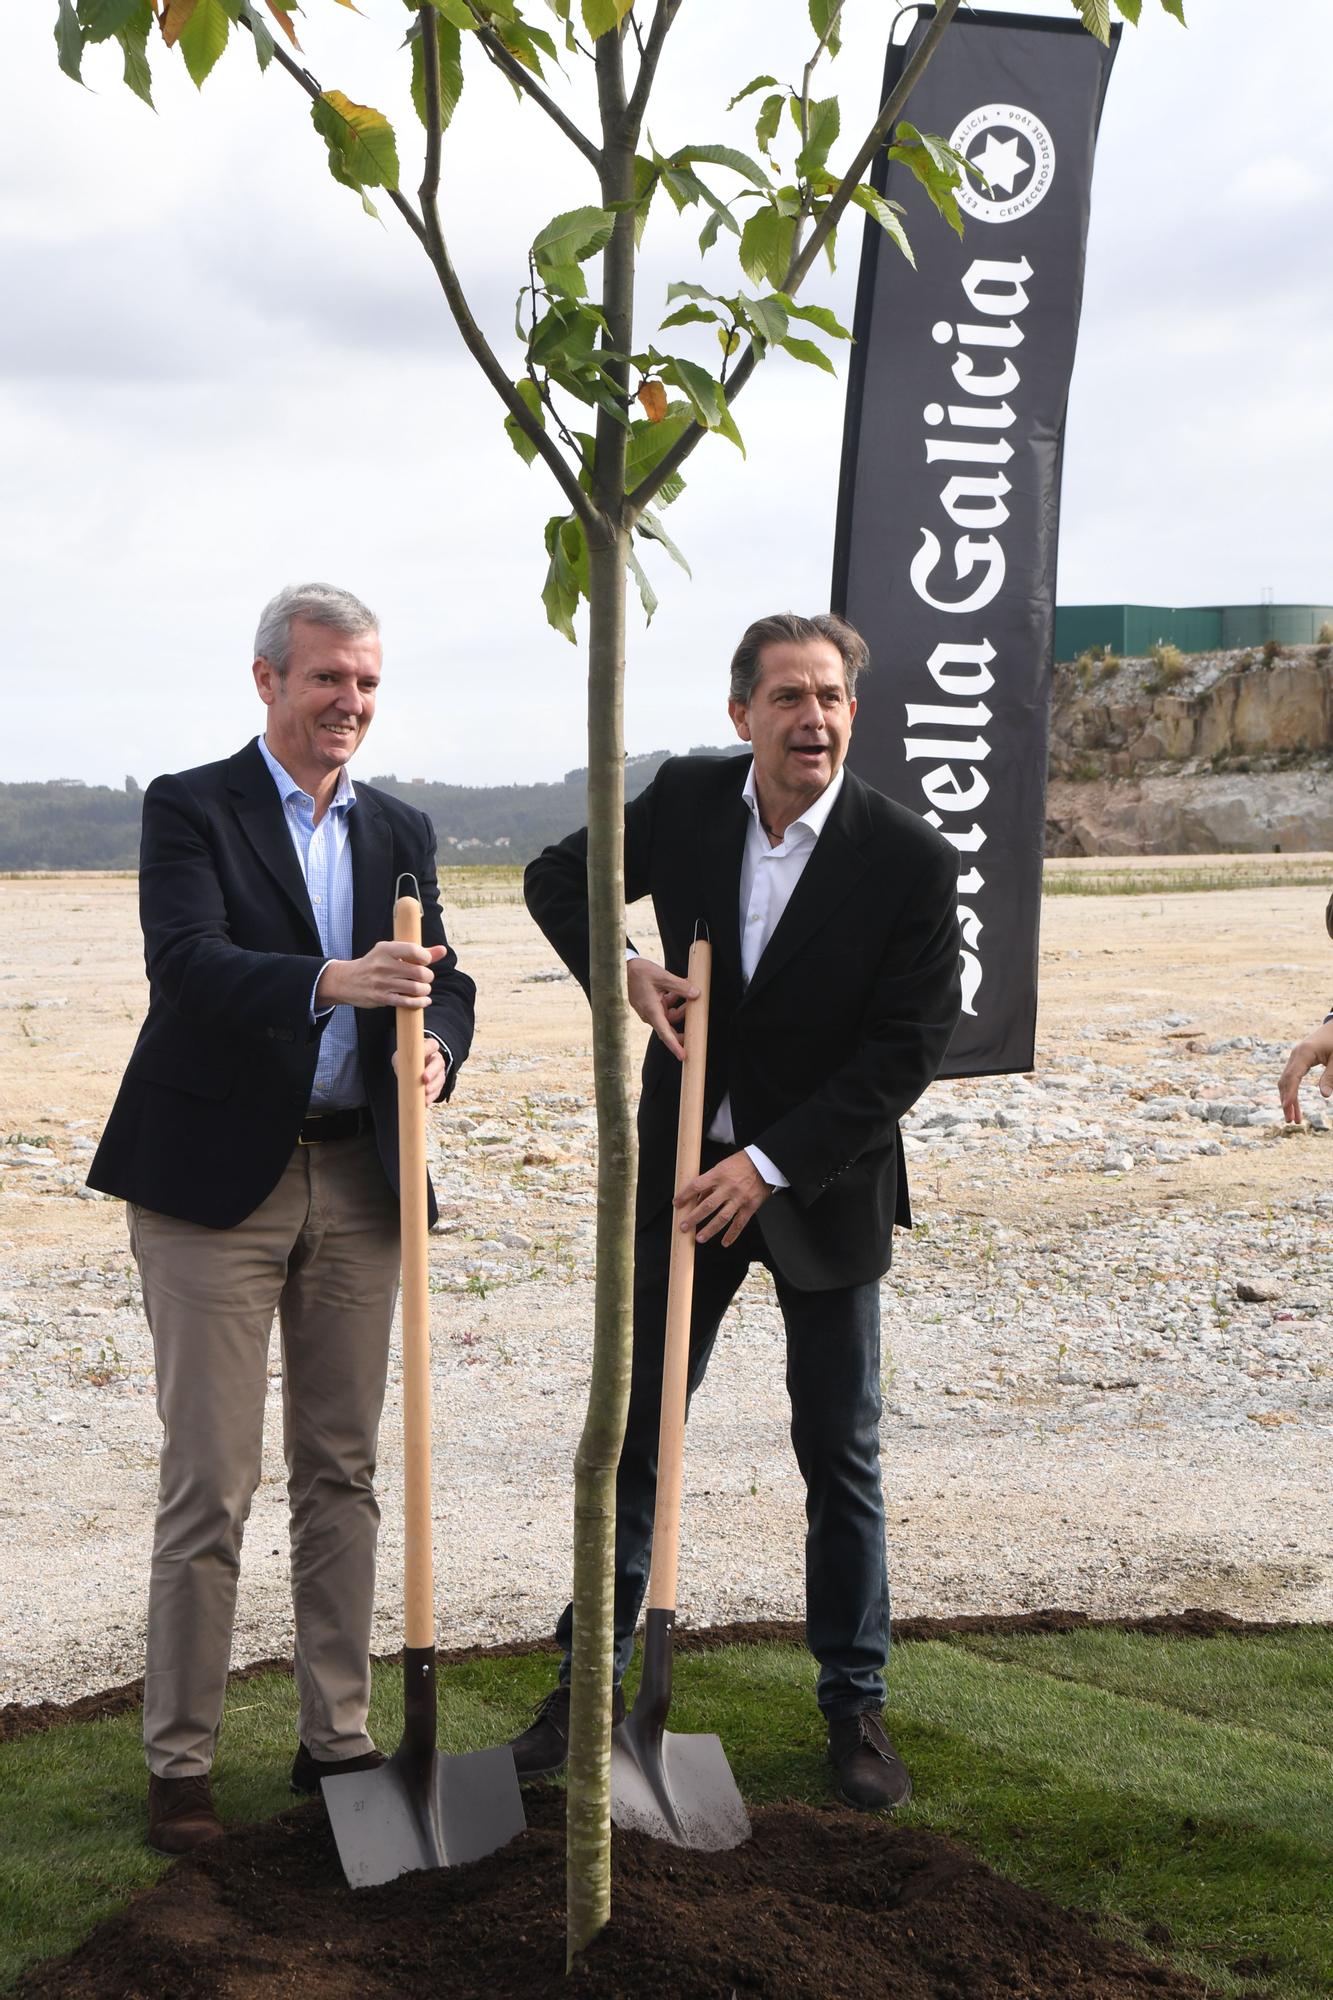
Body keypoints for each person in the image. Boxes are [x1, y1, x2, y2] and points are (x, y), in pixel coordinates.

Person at [514, 610, 962, 1811]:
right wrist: (621, 964)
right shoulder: (689, 800)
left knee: (839, 1448)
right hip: (684, 1177)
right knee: (636, 1431)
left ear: (852, 713)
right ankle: (587, 1687)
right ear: (741, 713)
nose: (812, 718)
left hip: (817, 1182)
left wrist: (768, 1162)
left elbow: (906, 1047)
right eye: (788, 697)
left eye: (830, 697)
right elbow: (555, 873)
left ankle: (854, 1703)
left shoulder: (907, 858)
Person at [88, 582, 475, 1855]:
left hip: (362, 1182)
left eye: (365, 682)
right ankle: (180, 1765)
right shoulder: (191, 806)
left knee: (343, 1471)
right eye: (326, 679)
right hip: (212, 1187)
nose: (348, 702)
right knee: (212, 1479)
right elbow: (186, 965)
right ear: (268, 680)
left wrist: (437, 1047)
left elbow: (446, 980)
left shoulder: (400, 826)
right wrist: (330, 980)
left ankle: (338, 1741)